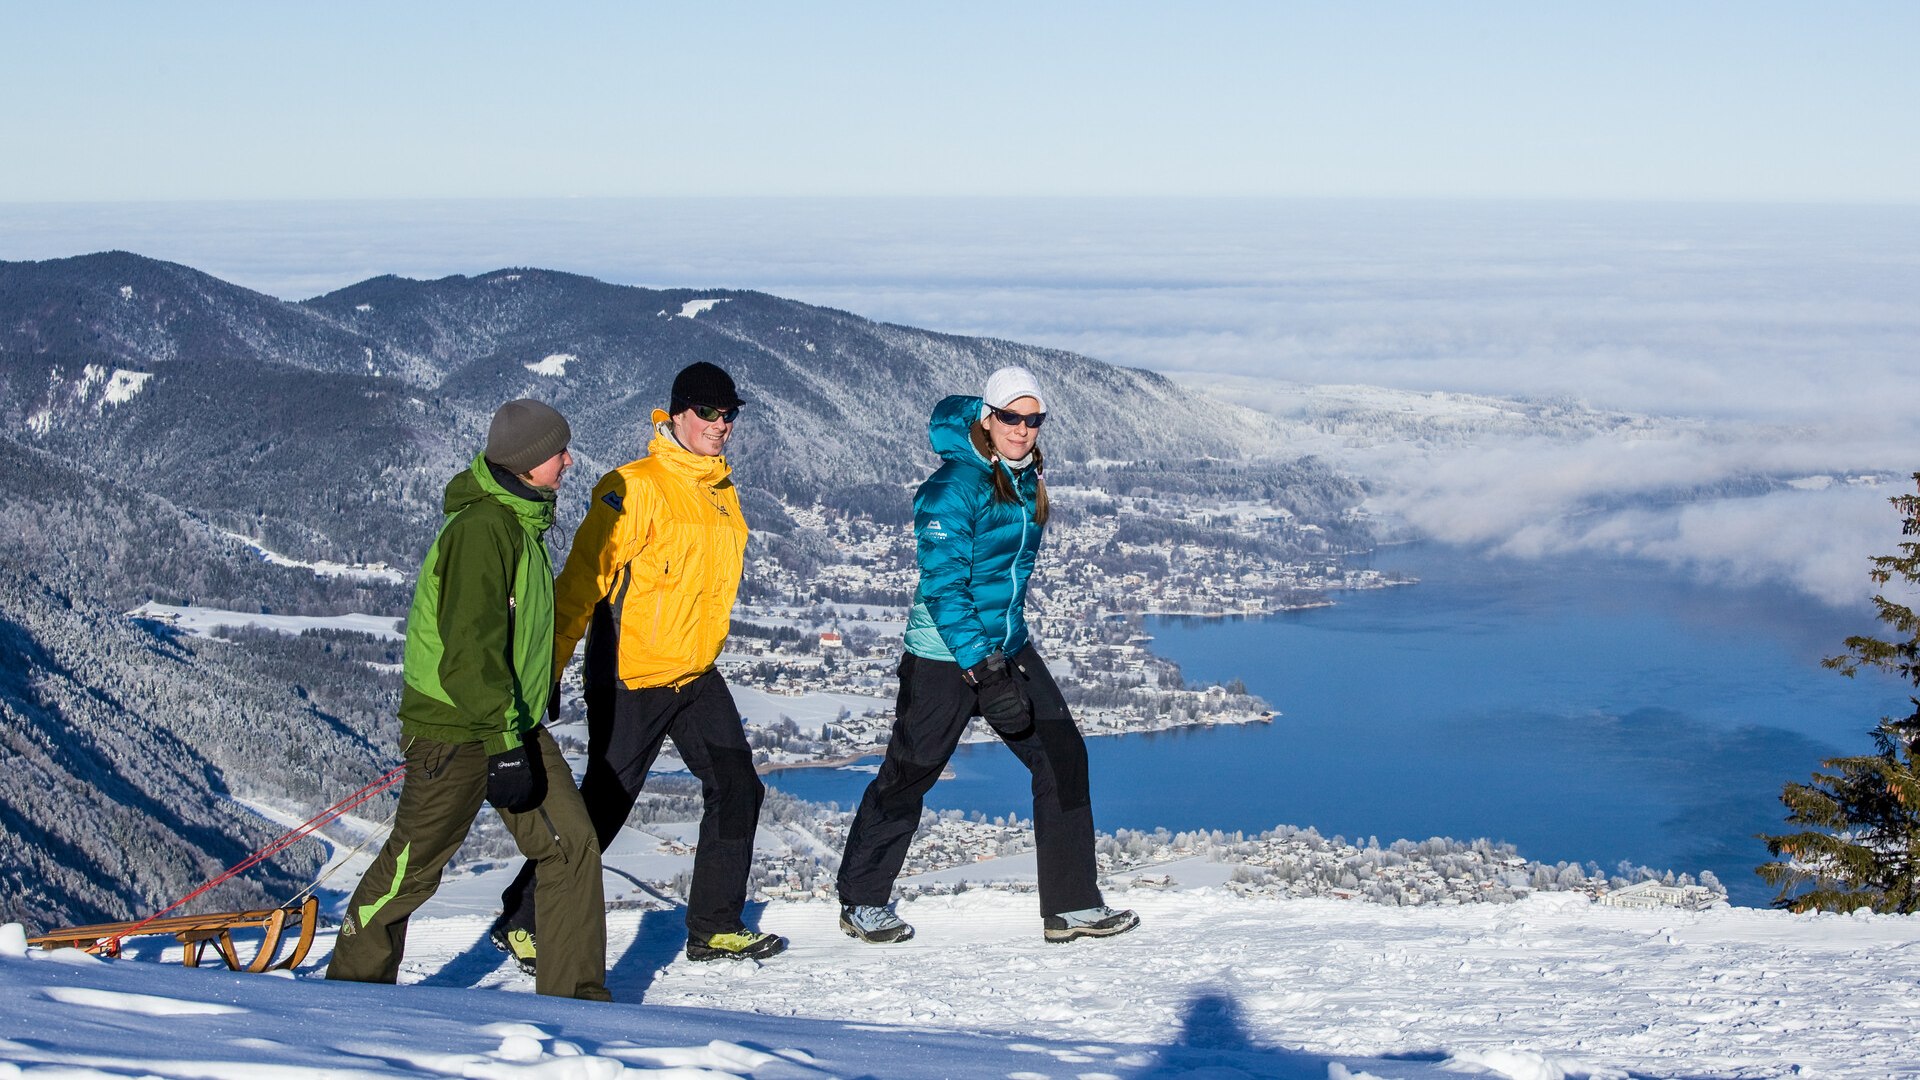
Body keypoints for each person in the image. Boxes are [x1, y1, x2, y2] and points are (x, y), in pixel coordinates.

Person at [492, 361, 786, 966]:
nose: (720, 424)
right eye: (708, 412)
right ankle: (523, 917)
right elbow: (579, 585)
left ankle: (714, 927)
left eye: (729, 414)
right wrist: (547, 668)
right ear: (676, 413)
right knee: (606, 801)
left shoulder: (720, 492)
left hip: (694, 671)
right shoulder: (632, 486)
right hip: (630, 673)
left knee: (738, 787)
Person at [837, 366, 1140, 944]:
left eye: (1033, 420)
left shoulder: (1023, 477)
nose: (1023, 430)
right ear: (987, 418)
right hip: (945, 657)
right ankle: (862, 901)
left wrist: (1003, 657)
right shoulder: (954, 486)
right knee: (910, 773)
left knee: (1063, 756)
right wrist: (983, 670)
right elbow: (944, 587)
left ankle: (1072, 906)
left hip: (1007, 644)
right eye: (1010, 417)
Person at [328, 399, 610, 1001]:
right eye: (559, 450)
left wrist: (536, 691)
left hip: (510, 721)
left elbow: (515, 630)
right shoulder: (484, 529)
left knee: (572, 846)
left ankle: (580, 1004)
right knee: (414, 867)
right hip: (457, 733)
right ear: (530, 461)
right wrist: (505, 746)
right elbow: (469, 651)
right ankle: (348, 992)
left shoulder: (521, 520)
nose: (568, 460)